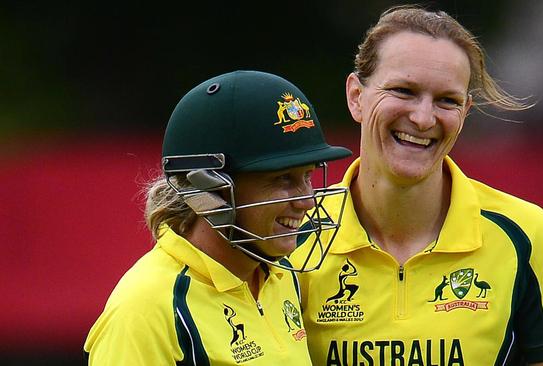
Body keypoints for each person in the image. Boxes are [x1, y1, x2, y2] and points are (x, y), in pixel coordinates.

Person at [290, 6, 543, 365]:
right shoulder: (291, 234)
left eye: (447, 100)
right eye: (403, 90)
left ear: (466, 112)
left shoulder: (525, 235)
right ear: (356, 97)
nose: (423, 118)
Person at [83, 70, 352, 365]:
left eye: (308, 176)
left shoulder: (281, 276)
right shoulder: (146, 311)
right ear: (208, 189)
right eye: (283, 179)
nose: (307, 201)